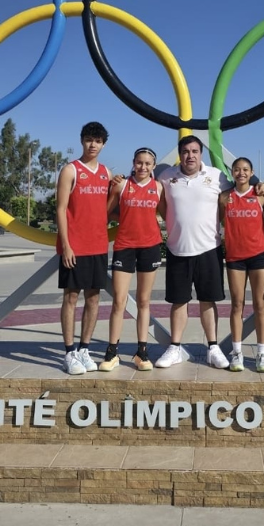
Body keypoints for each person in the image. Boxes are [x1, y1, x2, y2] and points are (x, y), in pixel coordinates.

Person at [153, 136, 233, 369]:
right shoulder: (167, 176)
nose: (190, 155)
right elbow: (162, 206)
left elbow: (228, 202)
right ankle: (175, 347)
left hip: (209, 248)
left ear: (201, 154)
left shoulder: (217, 176)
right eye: (186, 151)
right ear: (180, 153)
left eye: (195, 151)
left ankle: (213, 347)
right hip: (178, 249)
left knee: (208, 300)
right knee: (179, 301)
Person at [55, 122, 112, 375]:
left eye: (97, 140)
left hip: (98, 245)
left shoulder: (106, 173)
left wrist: (118, 185)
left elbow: (106, 207)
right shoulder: (70, 170)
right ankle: (69, 352)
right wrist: (66, 245)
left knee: (94, 298)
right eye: (89, 139)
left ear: (103, 144)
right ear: (82, 141)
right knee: (71, 297)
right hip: (75, 247)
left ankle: (84, 349)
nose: (93, 144)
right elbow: (60, 209)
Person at [103, 148, 164, 371]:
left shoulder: (158, 187)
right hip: (125, 246)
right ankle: (111, 352)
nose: (143, 167)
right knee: (119, 300)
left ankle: (142, 352)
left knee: (143, 301)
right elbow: (108, 212)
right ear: (133, 163)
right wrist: (126, 218)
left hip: (150, 246)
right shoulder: (121, 185)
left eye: (148, 164)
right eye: (139, 163)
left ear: (154, 166)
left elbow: (166, 214)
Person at [219, 157, 264, 372]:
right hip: (235, 258)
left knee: (260, 305)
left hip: (259, 256)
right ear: (232, 172)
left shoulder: (260, 196)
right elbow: (219, 223)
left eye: (245, 170)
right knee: (237, 305)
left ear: (252, 173)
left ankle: (262, 353)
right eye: (237, 169)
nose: (241, 173)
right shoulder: (224, 198)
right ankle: (237, 352)